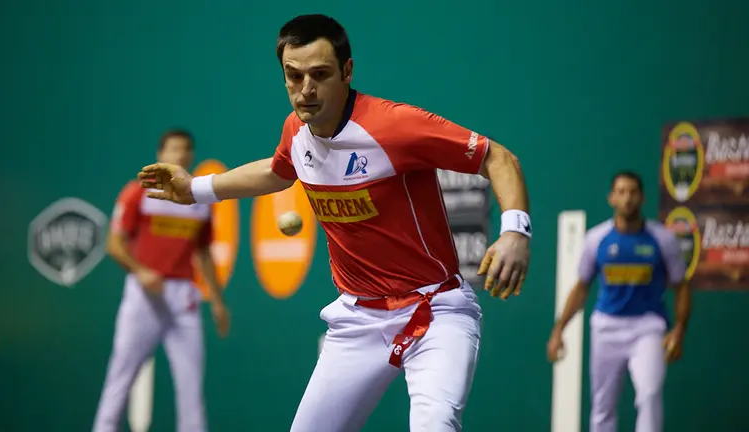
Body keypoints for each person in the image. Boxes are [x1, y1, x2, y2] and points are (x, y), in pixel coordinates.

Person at [138, 14, 532, 432]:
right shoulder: (296, 130)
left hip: (435, 311)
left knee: (436, 423)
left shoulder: (394, 126)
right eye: (294, 76)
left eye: (320, 74)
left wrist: (515, 231)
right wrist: (195, 189)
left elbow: (497, 157)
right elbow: (277, 170)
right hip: (357, 319)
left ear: (347, 71)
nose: (305, 89)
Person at [93, 129, 231, 432]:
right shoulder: (137, 192)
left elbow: (204, 253)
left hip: (184, 298)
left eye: (185, 150)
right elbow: (114, 244)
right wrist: (140, 270)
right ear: (160, 155)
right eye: (173, 149)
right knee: (121, 375)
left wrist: (218, 302)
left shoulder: (198, 200)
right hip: (143, 296)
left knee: (191, 384)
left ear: (191, 156)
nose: (179, 155)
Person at [547, 171, 692, 432]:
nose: (627, 198)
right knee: (602, 406)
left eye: (633, 192)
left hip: (648, 328)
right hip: (606, 328)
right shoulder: (596, 239)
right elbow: (581, 287)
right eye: (621, 192)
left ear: (642, 197)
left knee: (649, 395)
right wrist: (559, 330)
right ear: (611, 198)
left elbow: (681, 286)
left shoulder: (663, 239)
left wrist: (679, 330)